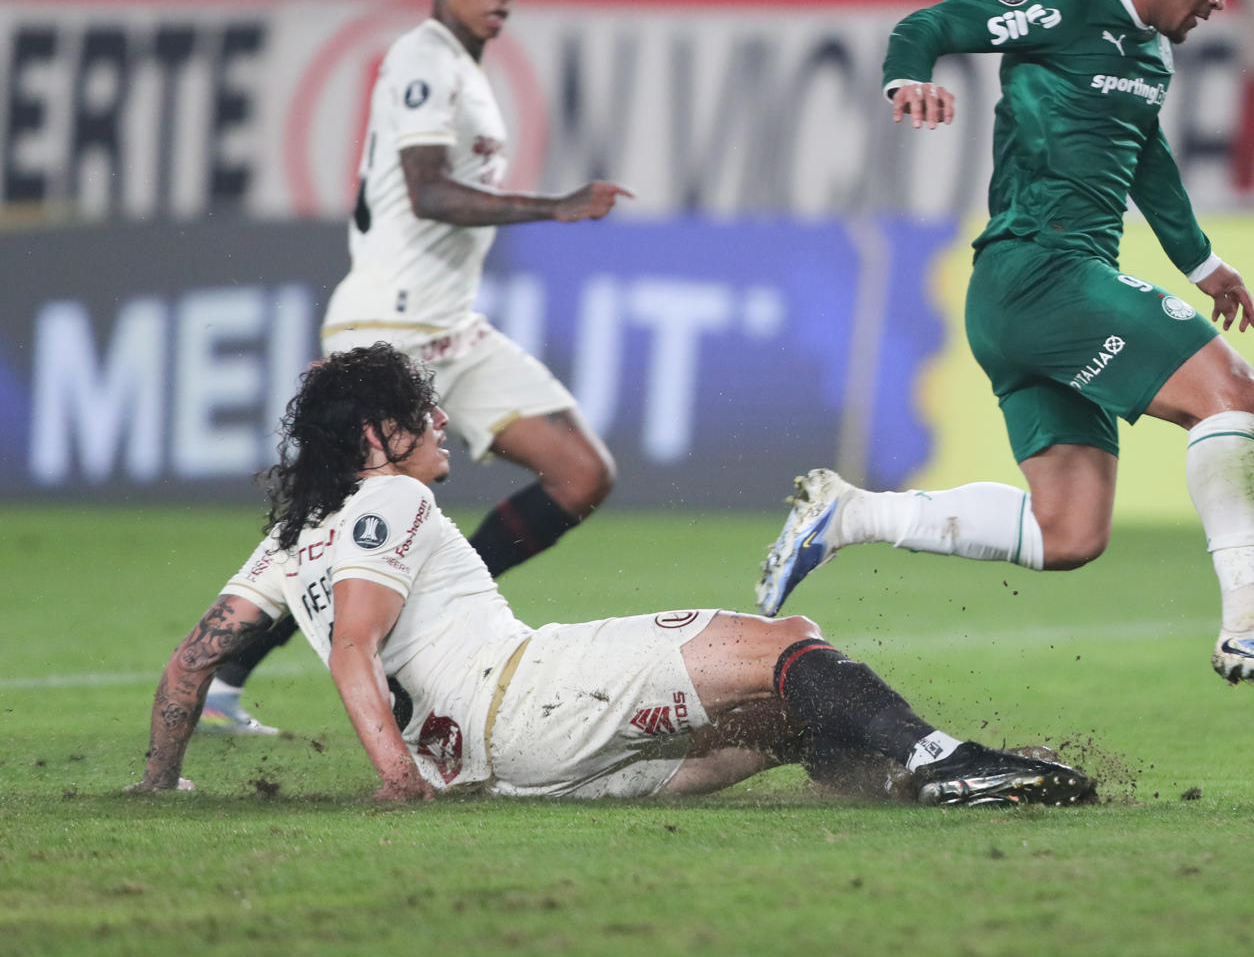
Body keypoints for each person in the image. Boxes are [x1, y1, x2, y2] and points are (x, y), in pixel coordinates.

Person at [757, 0, 1254, 689]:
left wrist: (1202, 263)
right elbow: (932, 21)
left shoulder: (1146, 46)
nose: (1220, 1)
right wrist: (909, 75)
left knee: (1068, 532)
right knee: (1231, 393)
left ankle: (853, 513)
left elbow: (1144, 156)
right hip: (1039, 272)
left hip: (1034, 296)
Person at [137, 345, 1095, 807]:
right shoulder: (389, 500)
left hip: (502, 773)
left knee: (787, 722)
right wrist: (395, 782)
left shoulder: (288, 540)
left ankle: (917, 791)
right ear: (376, 438)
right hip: (523, 697)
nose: (440, 428)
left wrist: (157, 785)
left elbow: (188, 669)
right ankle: (946, 763)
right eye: (420, 415)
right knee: (786, 646)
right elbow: (353, 648)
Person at [198, 0, 633, 736]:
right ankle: (221, 672)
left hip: (451, 327)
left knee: (580, 471)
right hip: (386, 326)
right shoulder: (421, 61)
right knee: (340, 525)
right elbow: (429, 190)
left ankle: (430, 618)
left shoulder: (468, 72)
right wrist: (556, 205)